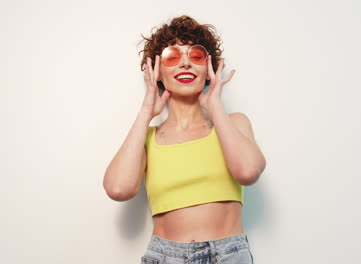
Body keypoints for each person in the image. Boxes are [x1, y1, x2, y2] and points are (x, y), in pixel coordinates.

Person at [103, 15, 266, 264]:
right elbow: (118, 189)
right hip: (165, 257)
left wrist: (214, 107)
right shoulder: (147, 139)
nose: (186, 64)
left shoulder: (233, 123)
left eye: (196, 56)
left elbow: (248, 172)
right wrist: (146, 111)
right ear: (157, 71)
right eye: (173, 56)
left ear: (209, 67)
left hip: (228, 255)